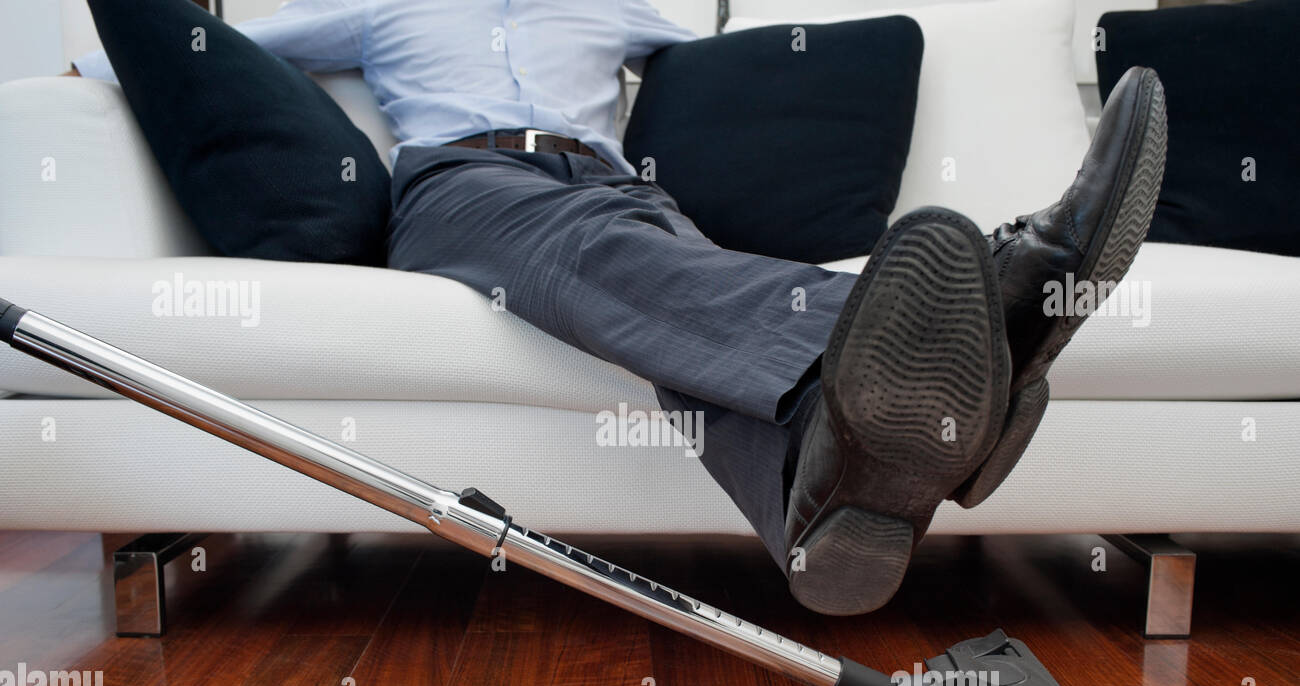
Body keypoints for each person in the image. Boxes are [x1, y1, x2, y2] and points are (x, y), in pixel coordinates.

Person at [71, 0, 1167, 615]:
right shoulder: (381, 7)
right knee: (618, 260)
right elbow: (216, 59)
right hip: (461, 188)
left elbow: (729, 71)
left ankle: (815, 485)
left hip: (619, 186)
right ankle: (992, 300)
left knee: (667, 312)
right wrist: (91, 73)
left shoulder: (607, 8)